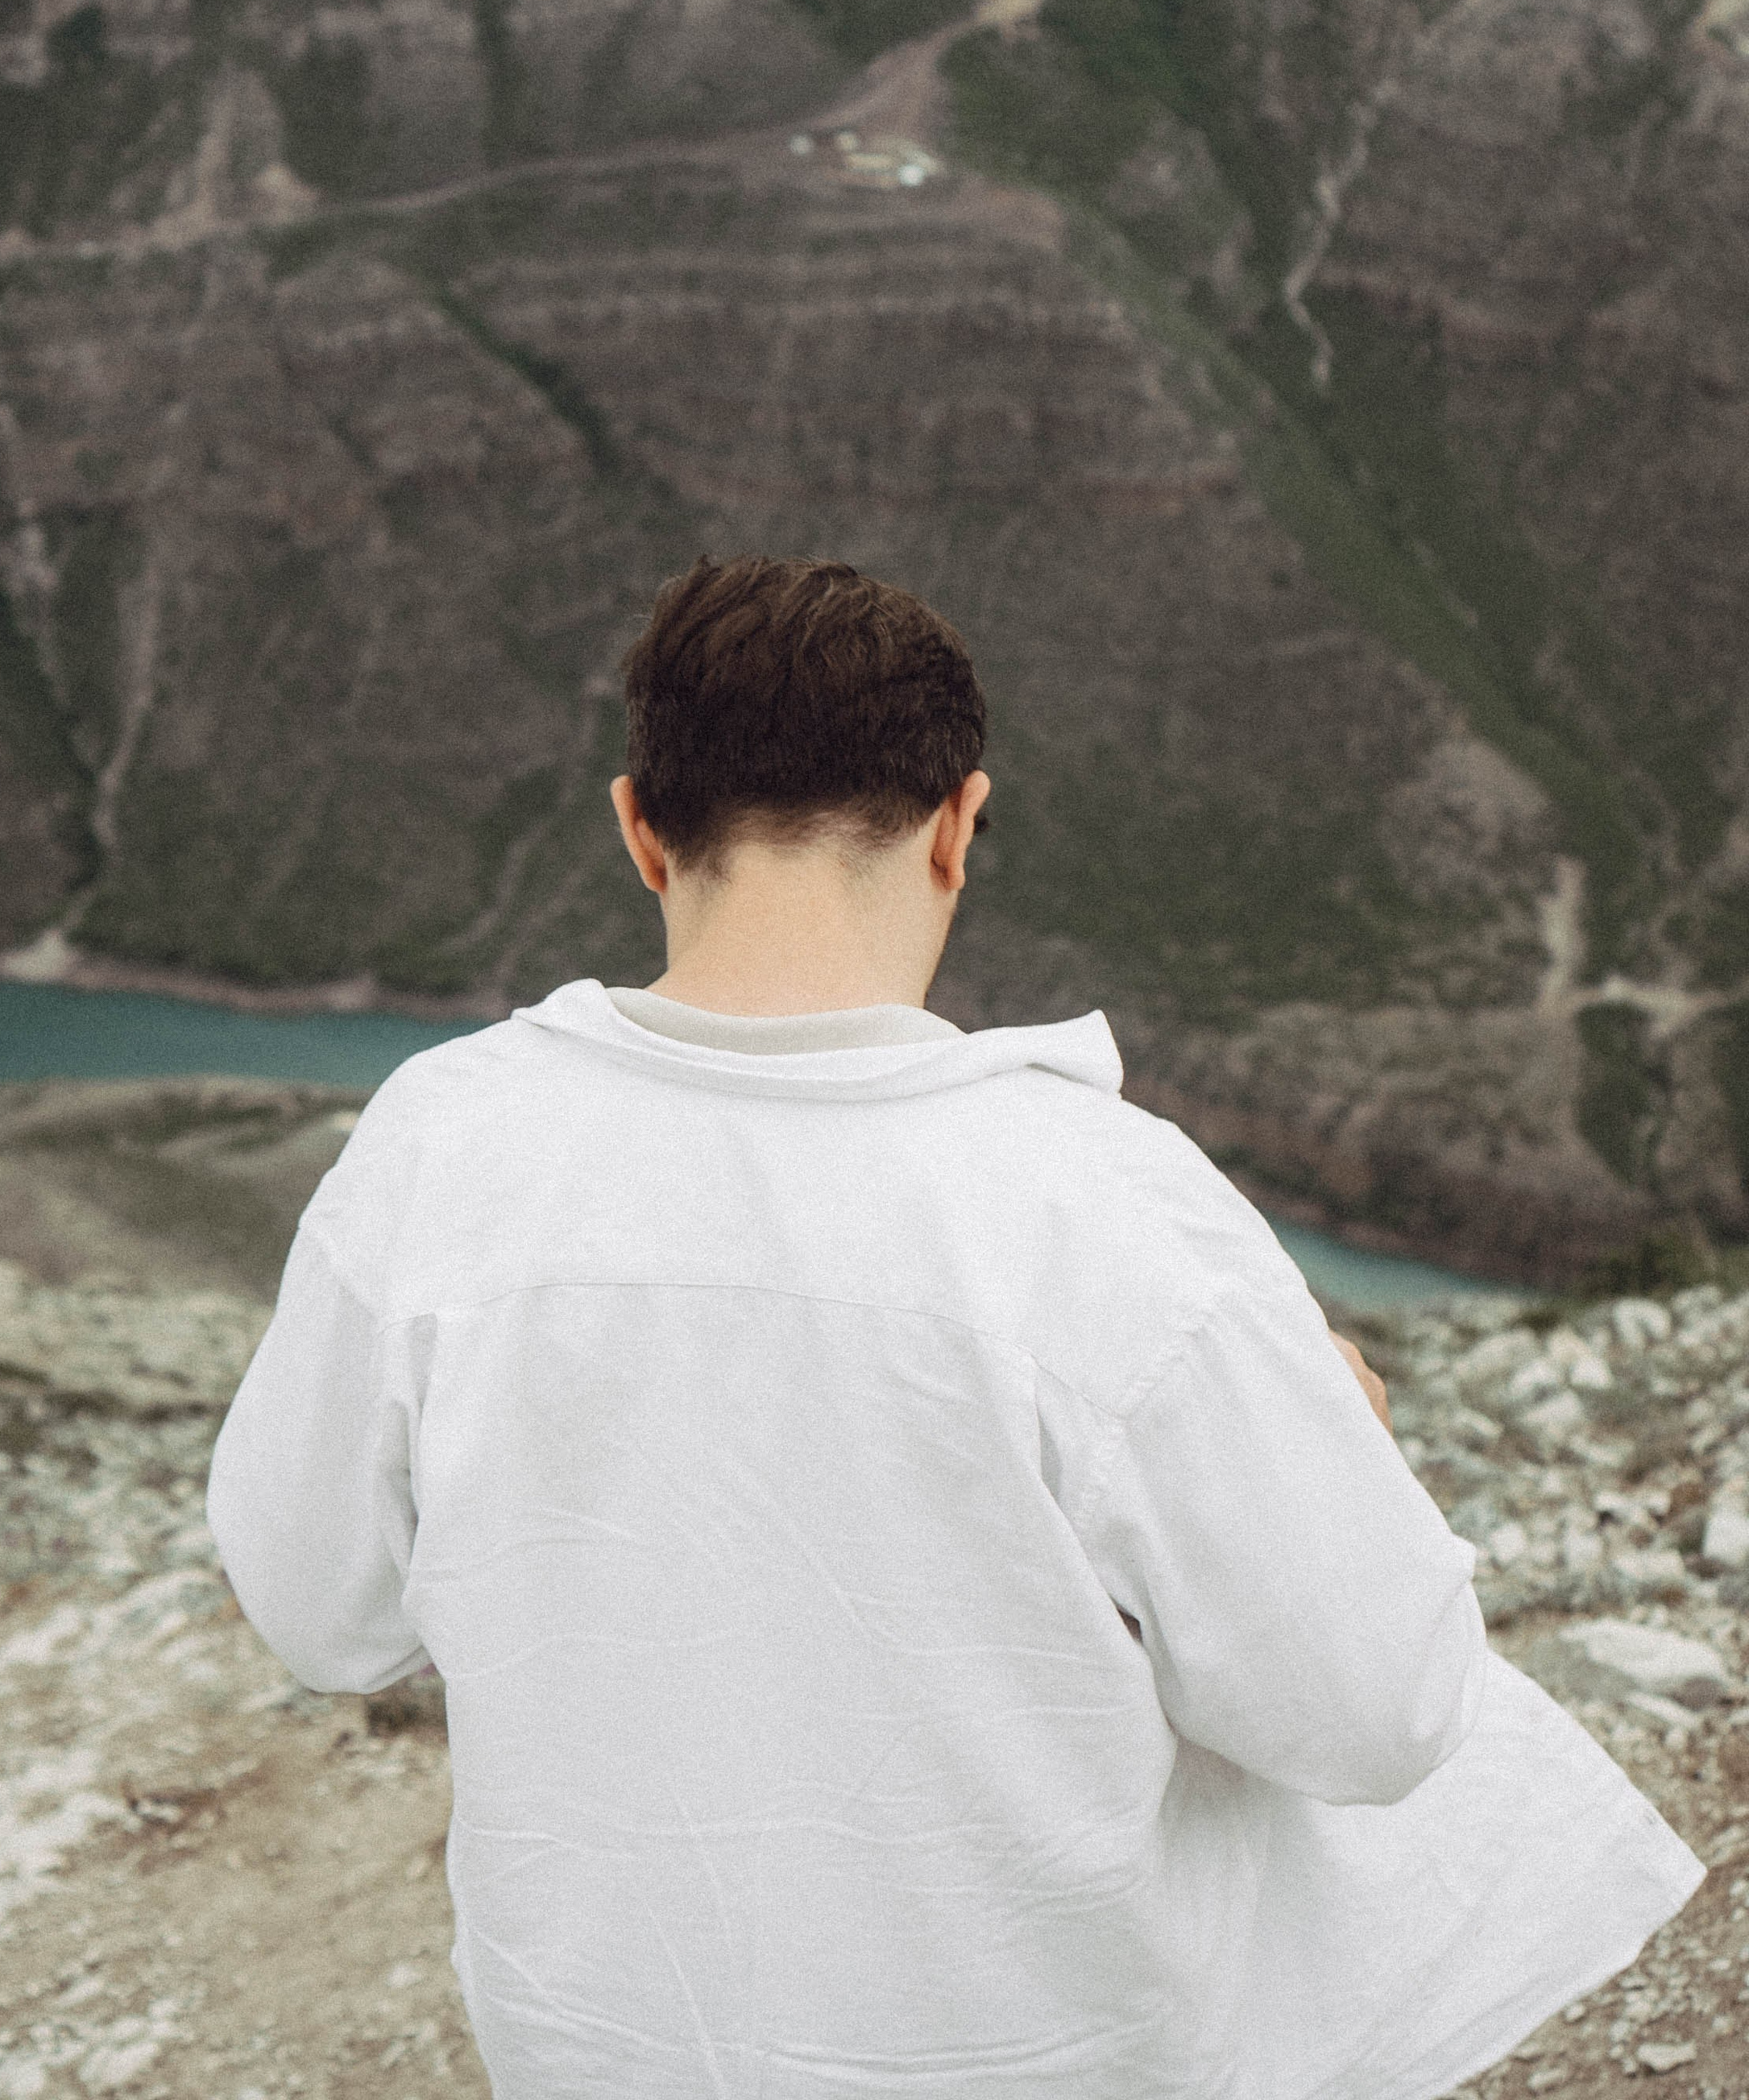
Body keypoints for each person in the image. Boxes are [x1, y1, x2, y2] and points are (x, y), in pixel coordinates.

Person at [207, 554, 1700, 2100]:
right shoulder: (1105, 1201)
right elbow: (1383, 1719)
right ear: (957, 828)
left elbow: (319, 1615)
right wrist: (1337, 1449)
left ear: (641, 829)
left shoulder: (439, 1147)